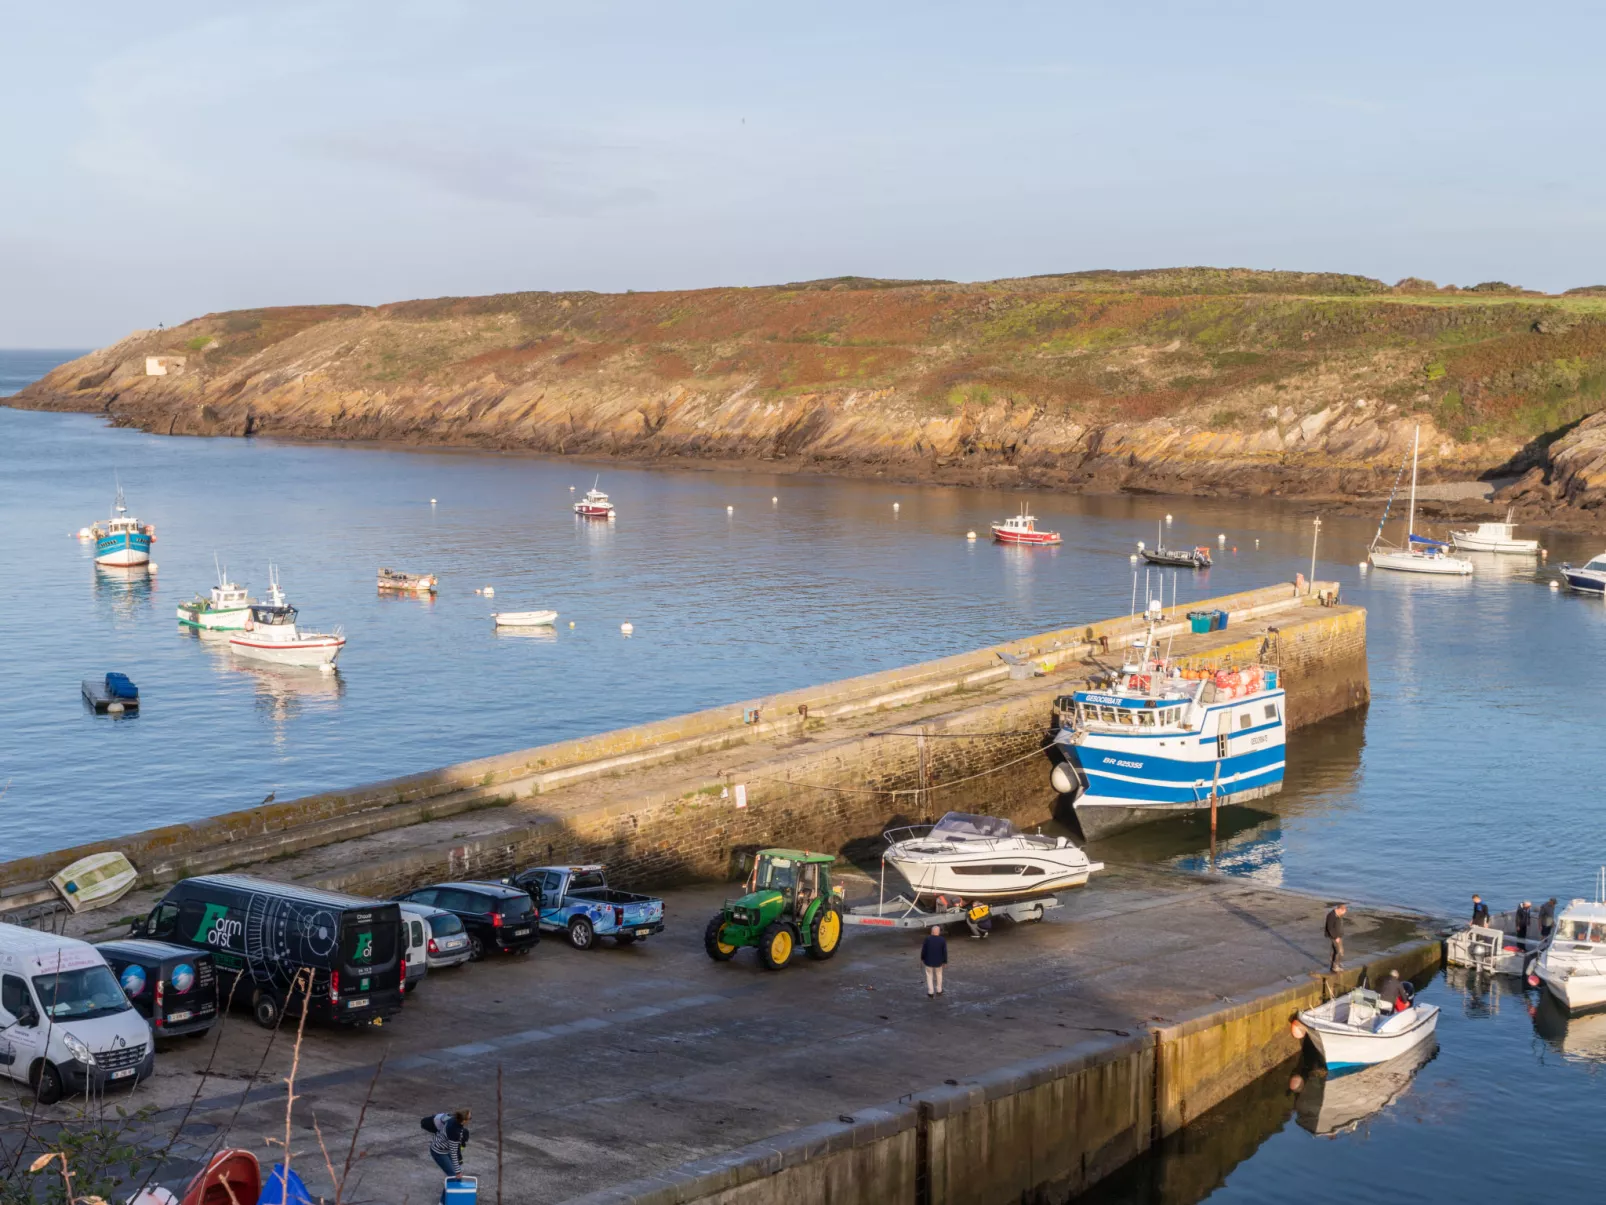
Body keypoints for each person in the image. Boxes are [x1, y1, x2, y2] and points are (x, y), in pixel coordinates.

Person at [423, 1109, 471, 1178]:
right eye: (470, 1118)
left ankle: (454, 1185)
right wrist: (458, 1172)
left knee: (456, 1170)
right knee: (453, 1176)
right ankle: (449, 1188)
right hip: (439, 1152)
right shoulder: (455, 1133)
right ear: (464, 1121)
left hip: (441, 1145)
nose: (470, 1120)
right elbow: (454, 1153)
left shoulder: (453, 1119)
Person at [921, 925, 948, 997]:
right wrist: (945, 961)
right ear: (938, 932)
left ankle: (930, 992)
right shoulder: (942, 940)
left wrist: (922, 958)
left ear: (931, 932)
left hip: (928, 961)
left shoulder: (927, 939)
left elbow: (924, 950)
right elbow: (944, 952)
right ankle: (939, 990)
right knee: (939, 975)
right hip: (939, 962)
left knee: (929, 976)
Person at [1324, 903, 1347, 973]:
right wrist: (1335, 937)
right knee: (1339, 951)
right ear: (1340, 909)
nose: (1343, 914)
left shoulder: (1338, 915)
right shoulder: (1331, 915)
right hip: (1334, 936)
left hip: (1338, 936)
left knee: (1338, 951)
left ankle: (1336, 964)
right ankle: (1335, 967)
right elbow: (1330, 928)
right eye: (1343, 912)